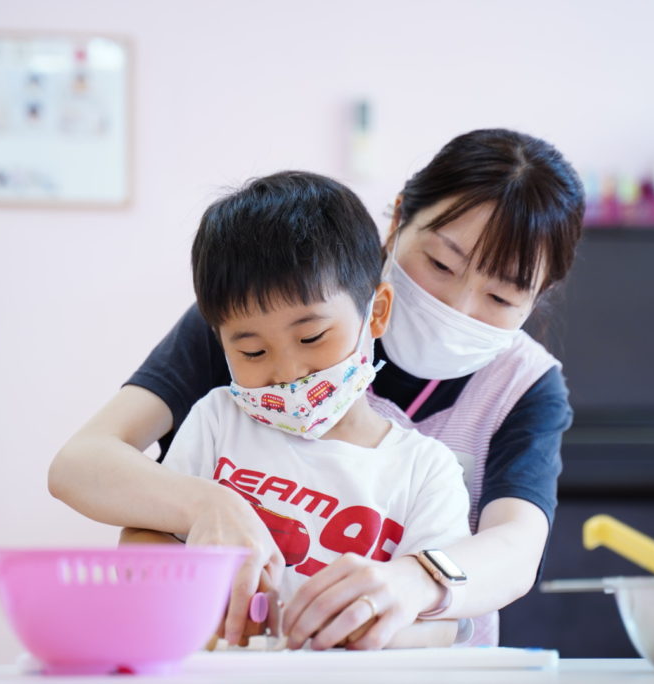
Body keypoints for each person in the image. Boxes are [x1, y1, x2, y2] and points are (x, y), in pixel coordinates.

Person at [49, 128, 585, 650]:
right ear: (400, 218)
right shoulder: (257, 315)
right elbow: (87, 465)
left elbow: (514, 549)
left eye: (501, 297)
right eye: (441, 264)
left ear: (539, 294)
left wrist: (411, 585)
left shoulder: (496, 410)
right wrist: (201, 508)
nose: (457, 307)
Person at [122, 170, 472, 648]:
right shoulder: (216, 422)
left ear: (376, 313)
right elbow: (143, 538)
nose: (287, 371)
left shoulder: (424, 470)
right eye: (252, 351)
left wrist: (359, 629)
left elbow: (445, 625)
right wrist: (184, 601)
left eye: (312, 337)